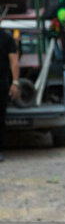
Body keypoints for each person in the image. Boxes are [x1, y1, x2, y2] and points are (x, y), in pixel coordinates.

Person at [0, 26, 20, 162]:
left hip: (1, 82)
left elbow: (14, 62)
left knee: (0, 118)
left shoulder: (7, 38)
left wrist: (15, 82)